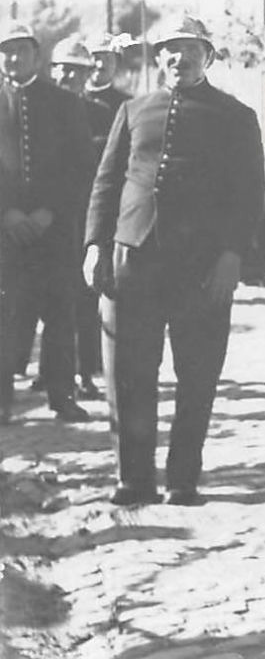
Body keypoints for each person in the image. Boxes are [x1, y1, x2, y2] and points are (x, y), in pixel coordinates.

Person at [84, 16, 265, 506]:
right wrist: (96, 244)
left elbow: (249, 194)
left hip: (201, 266)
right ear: (156, 57)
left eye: (187, 49)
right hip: (133, 258)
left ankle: (183, 478)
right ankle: (133, 478)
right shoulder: (133, 110)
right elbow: (106, 183)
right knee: (129, 374)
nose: (176, 59)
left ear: (207, 56)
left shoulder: (235, 116)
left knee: (197, 375)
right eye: (167, 50)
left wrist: (232, 255)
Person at [0, 23, 93, 424]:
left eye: (22, 50)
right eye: (6, 51)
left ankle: (61, 396)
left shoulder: (64, 104)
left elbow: (81, 168)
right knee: (7, 315)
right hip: (5, 232)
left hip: (54, 230)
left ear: (37, 56)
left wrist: (49, 211)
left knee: (60, 313)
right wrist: (7, 213)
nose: (14, 58)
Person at [50, 37, 114, 399]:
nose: (67, 77)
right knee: (52, 301)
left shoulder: (101, 114)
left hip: (86, 217)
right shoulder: (39, 113)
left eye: (76, 71)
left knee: (86, 299)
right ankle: (53, 375)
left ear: (88, 75)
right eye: (61, 69)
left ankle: (85, 373)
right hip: (50, 220)